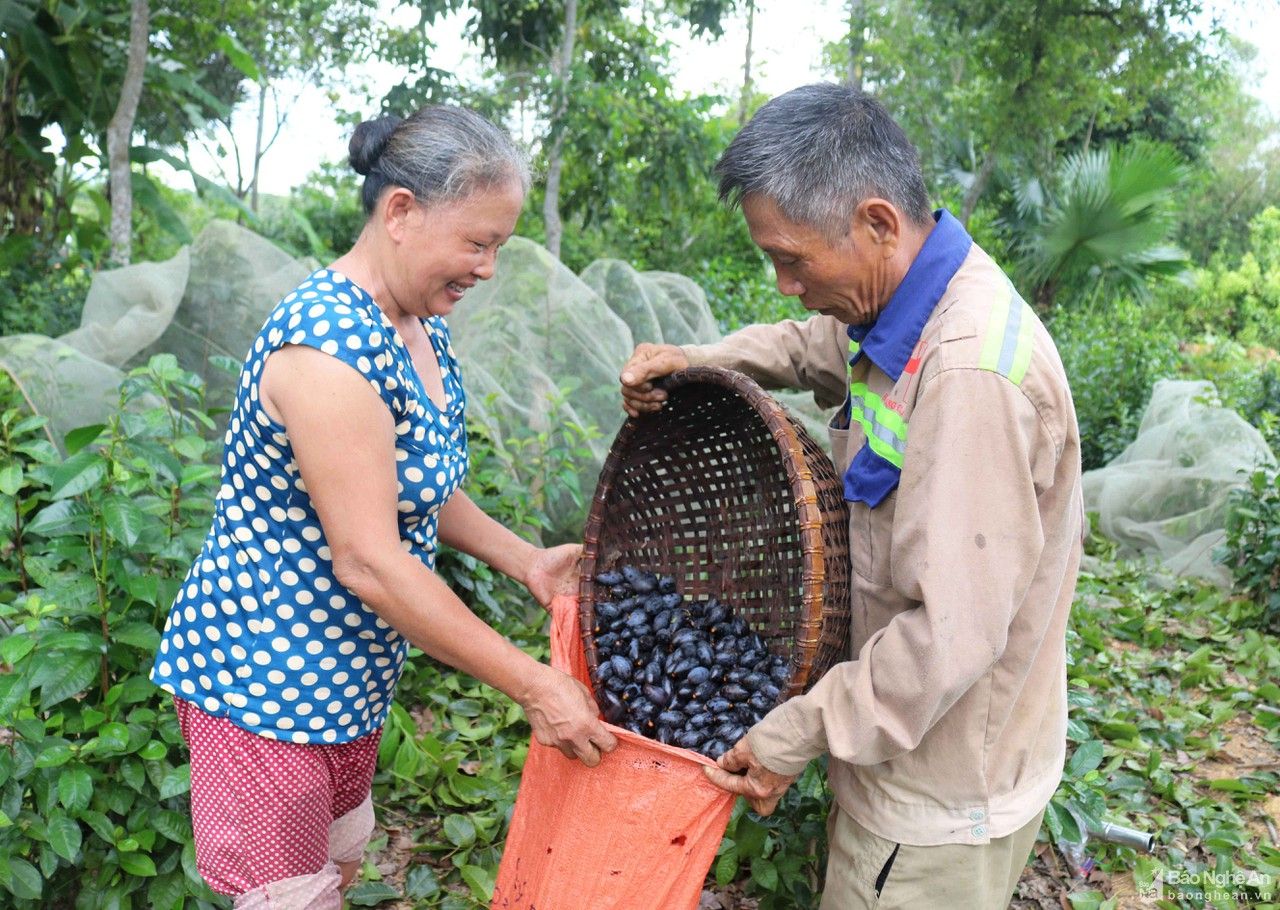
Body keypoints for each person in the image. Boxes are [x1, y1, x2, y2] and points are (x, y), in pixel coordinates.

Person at [620, 84, 1083, 909]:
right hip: (897, 752)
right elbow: (809, 346)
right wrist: (698, 358)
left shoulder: (969, 375)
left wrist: (792, 732)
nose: (785, 283)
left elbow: (950, 636)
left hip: (935, 799)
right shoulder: (904, 302)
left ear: (876, 223)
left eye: (793, 259)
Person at [149, 105, 616, 910]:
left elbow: (416, 483)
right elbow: (368, 557)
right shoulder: (325, 350)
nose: (488, 268)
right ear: (400, 212)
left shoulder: (414, 325)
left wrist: (526, 558)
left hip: (345, 684)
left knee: (332, 872)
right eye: (478, 242)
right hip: (265, 690)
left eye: (498, 246)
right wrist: (534, 685)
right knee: (287, 897)